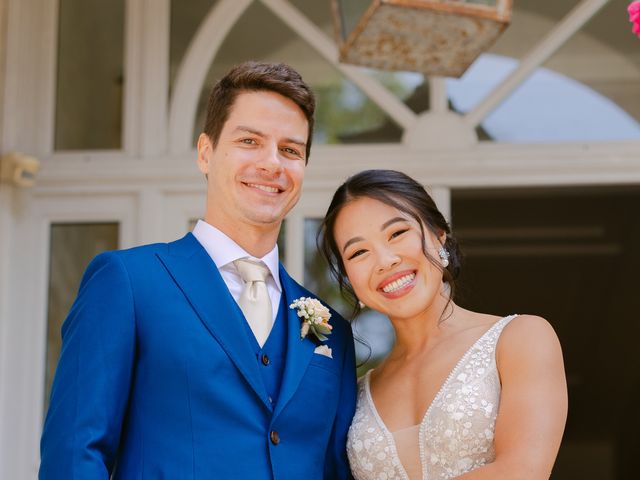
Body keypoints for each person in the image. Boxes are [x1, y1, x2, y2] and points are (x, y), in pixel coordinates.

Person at [39, 61, 357, 480]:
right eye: (249, 141)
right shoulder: (129, 283)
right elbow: (74, 455)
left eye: (290, 150)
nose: (271, 163)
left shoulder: (330, 327)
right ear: (205, 153)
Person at [319, 169, 568, 480]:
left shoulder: (521, 339)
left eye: (397, 233)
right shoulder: (355, 393)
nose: (385, 260)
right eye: (358, 252)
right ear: (350, 281)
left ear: (439, 236)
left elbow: (522, 472)